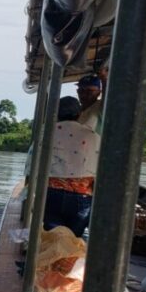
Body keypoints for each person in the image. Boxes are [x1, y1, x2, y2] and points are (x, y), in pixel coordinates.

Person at [45, 96, 100, 237]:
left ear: (56, 113)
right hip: (82, 196)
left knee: (53, 237)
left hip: (52, 194)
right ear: (79, 113)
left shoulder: (46, 132)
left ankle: (52, 258)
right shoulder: (93, 136)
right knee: (72, 240)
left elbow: (31, 166)